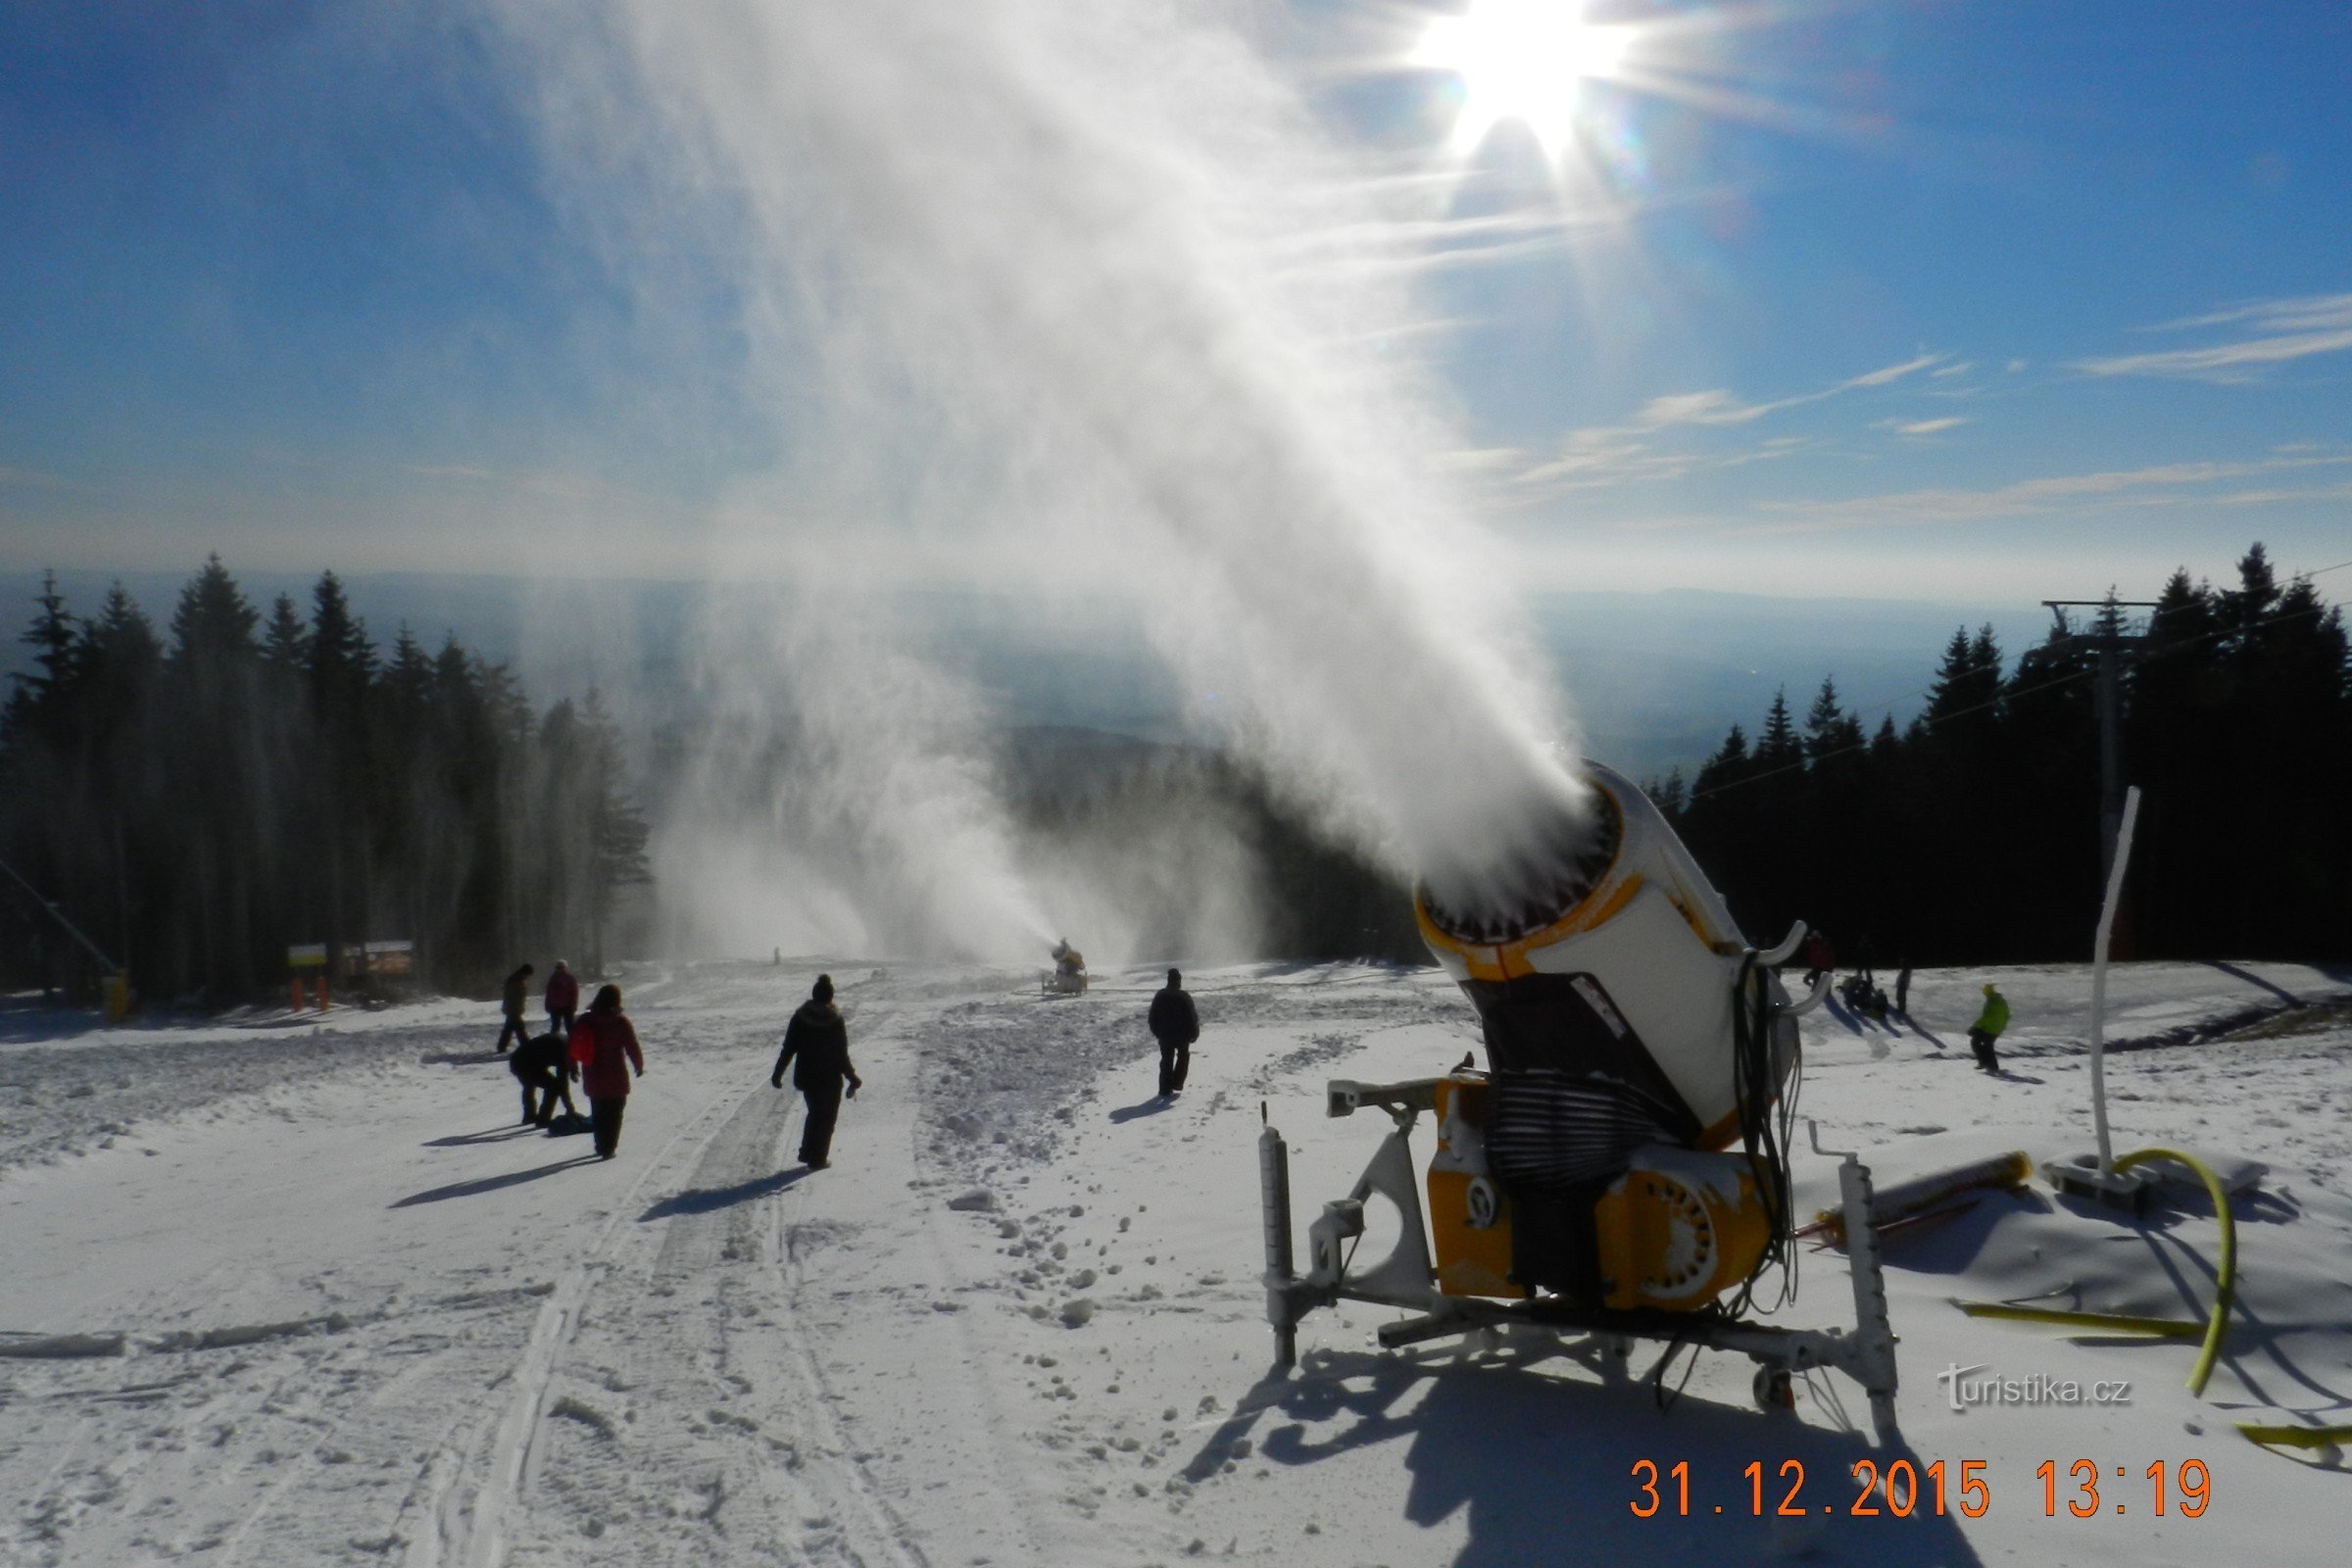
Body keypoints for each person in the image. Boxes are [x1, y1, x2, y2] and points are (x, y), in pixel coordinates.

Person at [772, 974, 861, 1169]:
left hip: (807, 1076)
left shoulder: (800, 1017)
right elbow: (841, 1054)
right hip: (829, 1078)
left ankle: (807, 1152)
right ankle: (817, 1158)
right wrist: (851, 1077)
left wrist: (778, 1072)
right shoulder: (835, 1020)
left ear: (814, 995)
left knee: (815, 1113)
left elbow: (788, 1048)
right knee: (827, 1118)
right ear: (830, 997)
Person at [568, 984, 644, 1158]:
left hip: (593, 1072)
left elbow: (573, 1045)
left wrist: (572, 1067)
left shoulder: (585, 1020)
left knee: (599, 1111)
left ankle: (601, 1144)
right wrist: (638, 1065)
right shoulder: (620, 1021)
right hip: (616, 1073)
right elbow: (631, 1045)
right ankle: (609, 1147)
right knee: (615, 1112)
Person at [509, 1028, 580, 1127]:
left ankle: (529, 1116)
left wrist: (573, 1070)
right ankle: (543, 1119)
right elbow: (562, 1083)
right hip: (523, 1063)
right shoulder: (563, 1049)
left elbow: (570, 1062)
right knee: (553, 1087)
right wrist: (570, 1109)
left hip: (517, 1058)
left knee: (529, 1084)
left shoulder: (564, 1041)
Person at [1148, 968, 1200, 1098]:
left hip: (1165, 1035)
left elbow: (1152, 1017)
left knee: (1166, 1060)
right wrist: (1194, 1032)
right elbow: (1192, 1017)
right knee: (1183, 1056)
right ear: (1178, 981)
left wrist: (1157, 1032)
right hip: (1182, 1035)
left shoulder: (1160, 995)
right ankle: (1177, 1082)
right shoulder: (1184, 996)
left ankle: (1164, 1088)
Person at [1968, 983, 2010, 1073]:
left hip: (1989, 1028)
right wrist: (2002, 1026)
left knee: (1975, 1042)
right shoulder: (2002, 1000)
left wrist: (1974, 1026)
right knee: (1988, 1045)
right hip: (1998, 1028)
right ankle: (1992, 1066)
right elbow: (2007, 1015)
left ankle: (1984, 1062)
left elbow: (1986, 1017)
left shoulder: (1991, 1002)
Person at [496, 963, 534, 1054]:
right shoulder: (517, 980)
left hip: (512, 1008)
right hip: (513, 1008)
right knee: (519, 1028)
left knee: (509, 1028)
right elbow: (515, 996)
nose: (528, 977)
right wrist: (518, 1007)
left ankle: (501, 1046)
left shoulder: (517, 979)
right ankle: (526, 1046)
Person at [544, 959, 578, 1039]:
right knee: (555, 1027)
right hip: (555, 1007)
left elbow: (574, 993)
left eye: (561, 967)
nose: (559, 969)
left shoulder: (569, 979)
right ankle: (553, 1042)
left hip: (567, 1006)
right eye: (558, 968)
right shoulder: (553, 979)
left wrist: (573, 1005)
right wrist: (547, 1004)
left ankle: (574, 1042)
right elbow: (549, 993)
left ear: (565, 968)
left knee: (569, 1026)